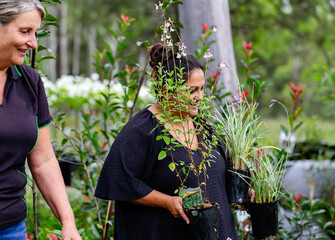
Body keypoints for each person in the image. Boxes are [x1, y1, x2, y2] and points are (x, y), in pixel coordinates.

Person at [95, 43, 240, 239]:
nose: (200, 97)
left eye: (202, 89)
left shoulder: (203, 127)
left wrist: (245, 189)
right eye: (192, 90)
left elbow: (221, 173)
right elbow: (120, 181)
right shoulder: (143, 130)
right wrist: (166, 201)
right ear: (167, 90)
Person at [0, 1, 81, 239]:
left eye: (35, 33)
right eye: (25, 31)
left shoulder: (30, 82)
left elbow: (43, 161)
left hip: (11, 227)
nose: (33, 43)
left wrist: (68, 222)